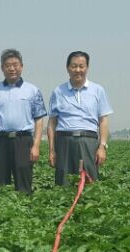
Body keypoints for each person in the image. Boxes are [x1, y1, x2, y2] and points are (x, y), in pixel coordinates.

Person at [0, 49, 47, 193]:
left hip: (23, 140)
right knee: (0, 183)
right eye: (8, 65)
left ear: (22, 66)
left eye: (15, 64)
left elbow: (39, 120)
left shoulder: (32, 90)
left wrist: (36, 146)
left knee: (24, 181)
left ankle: (24, 210)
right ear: (2, 68)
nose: (12, 68)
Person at [47, 51, 112, 185]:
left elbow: (103, 120)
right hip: (64, 141)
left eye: (81, 66)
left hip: (88, 141)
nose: (78, 70)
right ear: (67, 68)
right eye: (74, 66)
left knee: (89, 181)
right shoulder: (58, 91)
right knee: (63, 183)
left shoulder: (97, 90)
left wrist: (102, 147)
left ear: (87, 68)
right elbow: (52, 122)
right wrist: (52, 150)